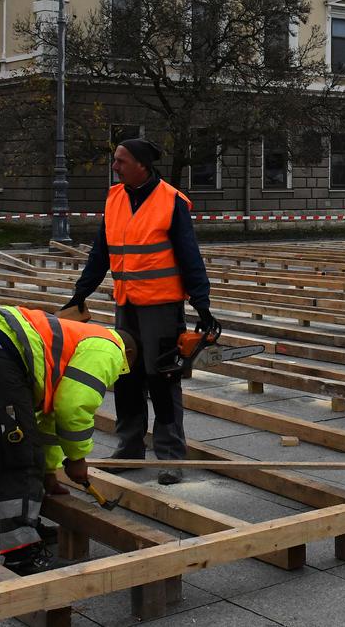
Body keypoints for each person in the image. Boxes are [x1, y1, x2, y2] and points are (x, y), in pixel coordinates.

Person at [62, 138, 218, 485]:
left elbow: (189, 257)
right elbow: (100, 253)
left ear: (142, 165)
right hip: (126, 303)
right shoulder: (115, 198)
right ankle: (129, 448)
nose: (115, 167)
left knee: (162, 378)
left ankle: (171, 456)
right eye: (115, 160)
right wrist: (80, 293)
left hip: (161, 306)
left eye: (121, 161)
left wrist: (201, 304)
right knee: (127, 378)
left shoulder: (171, 202)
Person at [0, 305, 133, 575]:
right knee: (20, 458)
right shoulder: (109, 347)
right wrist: (76, 459)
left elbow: (49, 420)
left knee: (23, 450)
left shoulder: (83, 339)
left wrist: (50, 472)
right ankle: (22, 555)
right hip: (0, 363)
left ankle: (28, 526)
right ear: (128, 353)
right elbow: (73, 406)